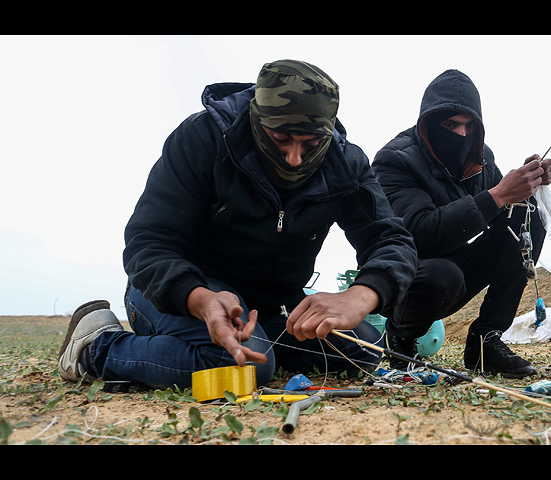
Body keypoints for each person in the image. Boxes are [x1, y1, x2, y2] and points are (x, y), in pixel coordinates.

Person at [58, 60, 417, 390]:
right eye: (280, 139)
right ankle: (96, 347)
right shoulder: (203, 139)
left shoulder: (345, 163)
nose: (294, 158)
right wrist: (199, 299)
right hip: (181, 291)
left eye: (310, 144)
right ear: (256, 119)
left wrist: (361, 295)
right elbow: (149, 241)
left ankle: (260, 344)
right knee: (241, 368)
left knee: (365, 349)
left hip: (273, 303)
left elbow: (391, 239)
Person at [372, 69, 551, 379]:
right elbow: (417, 234)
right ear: (428, 123)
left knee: (526, 212)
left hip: (456, 266)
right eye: (450, 125)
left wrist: (523, 185)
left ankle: (486, 340)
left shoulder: (480, 159)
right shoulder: (396, 160)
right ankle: (401, 340)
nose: (461, 135)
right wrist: (497, 195)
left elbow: (502, 211)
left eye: (470, 126)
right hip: (403, 276)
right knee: (444, 274)